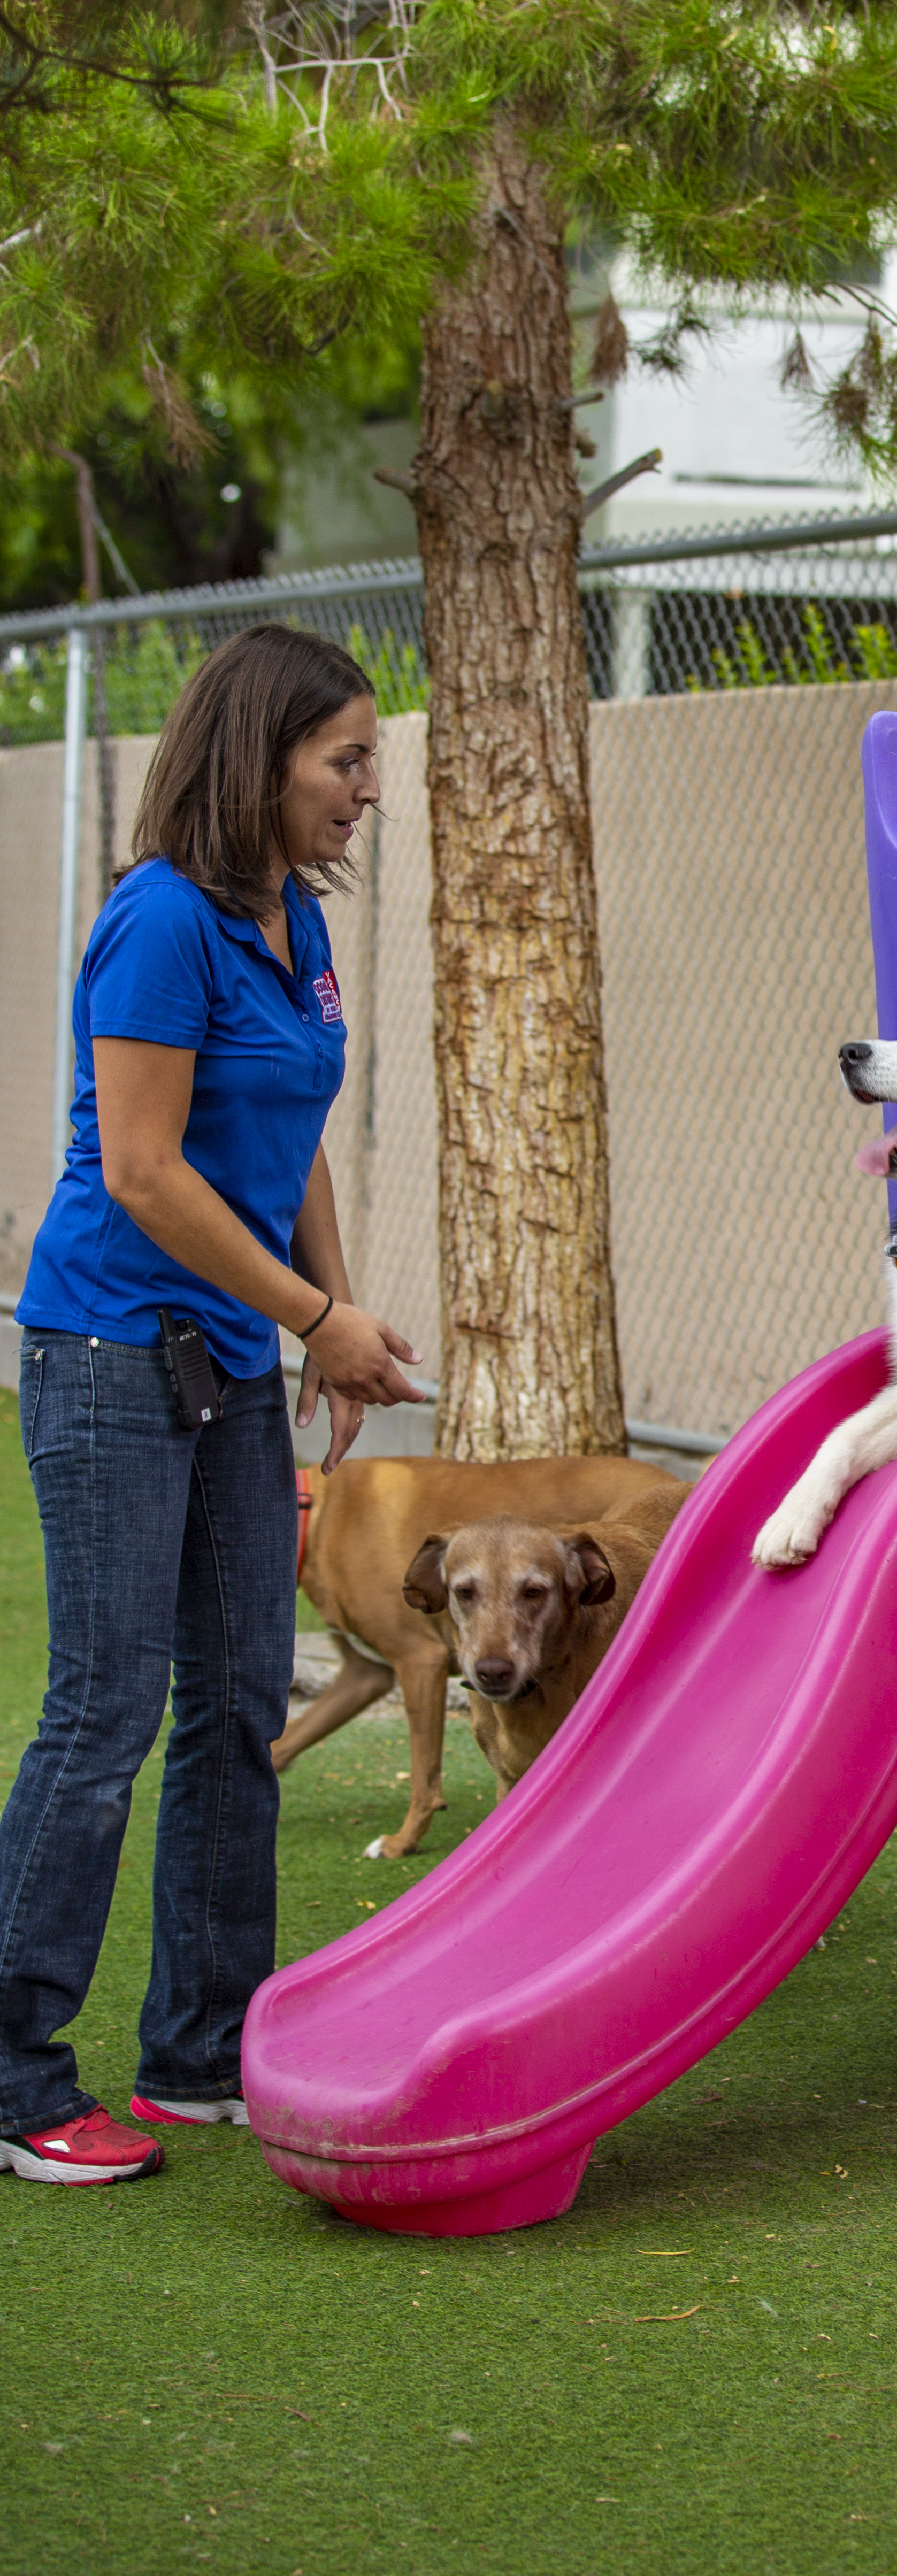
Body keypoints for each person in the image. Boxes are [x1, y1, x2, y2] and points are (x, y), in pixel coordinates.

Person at [0, 624, 424, 2187]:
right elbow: (144, 1167)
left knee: (240, 1703)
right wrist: (317, 1312)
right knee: (105, 1712)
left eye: (369, 760)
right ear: (262, 760)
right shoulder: (159, 923)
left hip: (236, 1368)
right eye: (346, 761)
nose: (368, 789)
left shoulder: (289, 923)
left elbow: (292, 1126)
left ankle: (199, 2049)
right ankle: (12, 2071)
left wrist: (321, 1323)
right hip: (111, 1357)